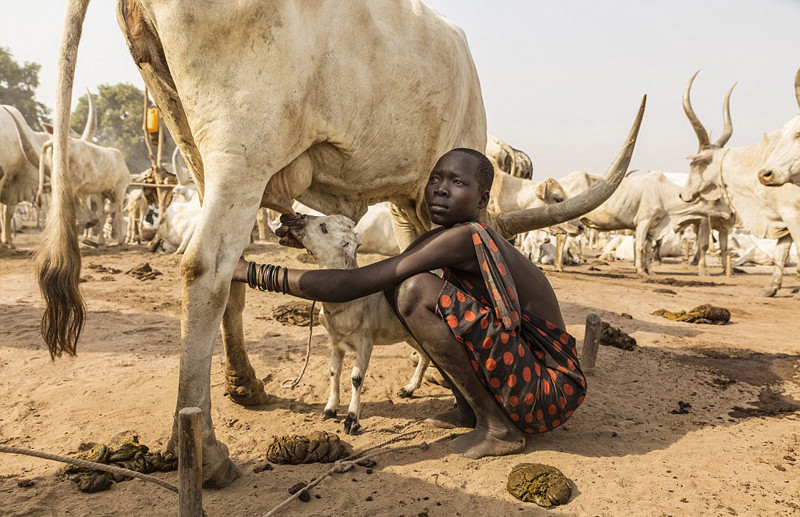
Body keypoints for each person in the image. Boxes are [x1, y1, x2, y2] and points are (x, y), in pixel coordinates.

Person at [232, 148, 586, 459]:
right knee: (398, 285)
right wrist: (320, 244)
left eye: (458, 183)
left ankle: (499, 429)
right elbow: (377, 277)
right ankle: (468, 409)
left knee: (416, 291)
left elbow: (353, 284)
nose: (441, 188)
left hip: (549, 390)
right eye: (435, 178)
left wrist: (253, 272)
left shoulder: (466, 237)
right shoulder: (449, 236)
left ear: (482, 201)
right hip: (526, 373)